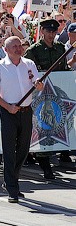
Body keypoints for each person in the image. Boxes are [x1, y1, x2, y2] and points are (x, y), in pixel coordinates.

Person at [0, 36, 44, 203]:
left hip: (26, 111)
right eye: (14, 47)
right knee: (9, 149)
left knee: (24, 148)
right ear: (6, 50)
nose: (18, 49)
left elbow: (36, 83)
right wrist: (7, 106)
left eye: (20, 45)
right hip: (9, 112)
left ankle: (11, 179)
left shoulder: (29, 64)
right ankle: (12, 188)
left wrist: (39, 85)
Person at [24, 18, 66, 182]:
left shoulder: (60, 49)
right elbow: (27, 71)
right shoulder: (34, 51)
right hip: (40, 96)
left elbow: (64, 70)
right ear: (42, 32)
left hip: (57, 95)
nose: (51, 34)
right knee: (43, 127)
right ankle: (44, 163)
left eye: (54, 31)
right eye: (48, 31)